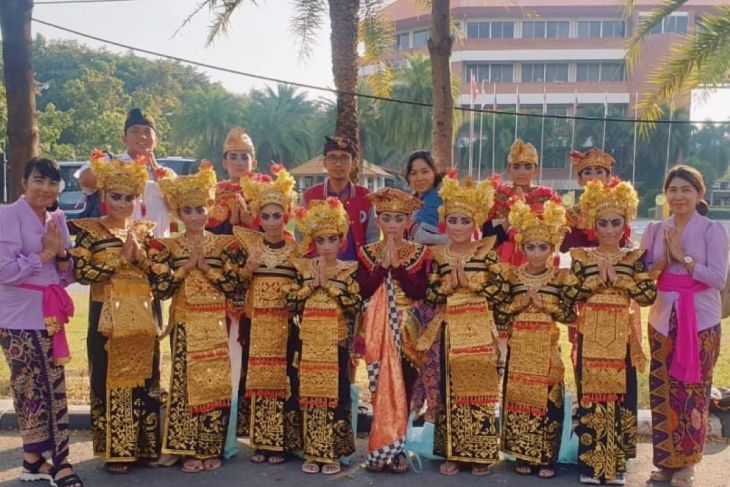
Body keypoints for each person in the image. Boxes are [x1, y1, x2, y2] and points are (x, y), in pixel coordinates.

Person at [146, 163, 243, 472]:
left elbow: (234, 285)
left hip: (215, 322)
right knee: (184, 383)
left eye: (201, 208)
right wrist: (186, 267)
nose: (196, 215)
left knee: (214, 384)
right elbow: (160, 289)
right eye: (188, 210)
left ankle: (210, 446)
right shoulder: (169, 246)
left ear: (209, 207)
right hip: (185, 321)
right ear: (178, 213)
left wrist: (208, 270)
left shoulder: (223, 245)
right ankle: (186, 447)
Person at [69, 152, 160, 474]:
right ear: (104, 196)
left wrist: (142, 261)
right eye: (115, 196)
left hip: (143, 314)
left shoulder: (145, 231)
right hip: (106, 314)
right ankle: (117, 451)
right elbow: (82, 273)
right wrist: (119, 261)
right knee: (111, 380)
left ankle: (147, 447)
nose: (122, 203)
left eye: (129, 197)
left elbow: (158, 275)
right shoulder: (89, 231)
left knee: (146, 380)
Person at [641, 165, 727, 487]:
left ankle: (687, 465)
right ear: (666, 195)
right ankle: (665, 462)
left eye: (686, 190)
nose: (679, 196)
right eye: (673, 190)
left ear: (699, 194)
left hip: (701, 322)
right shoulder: (654, 228)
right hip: (662, 320)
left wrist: (685, 258)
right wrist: (663, 261)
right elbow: (645, 273)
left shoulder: (712, 230)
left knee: (692, 392)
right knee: (662, 390)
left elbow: (717, 279)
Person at [567, 180, 657, 485]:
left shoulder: (633, 258)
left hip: (621, 339)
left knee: (620, 397)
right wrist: (596, 282)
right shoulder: (581, 257)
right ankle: (591, 464)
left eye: (615, 223)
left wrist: (619, 281)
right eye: (602, 223)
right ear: (594, 225)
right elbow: (571, 294)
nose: (608, 229)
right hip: (590, 335)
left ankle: (616, 464)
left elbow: (647, 295)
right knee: (591, 396)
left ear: (625, 224)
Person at [0, 157, 82, 487]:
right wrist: (45, 255)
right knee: (31, 387)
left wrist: (61, 256)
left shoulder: (57, 218)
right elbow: (4, 271)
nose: (45, 188)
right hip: (17, 314)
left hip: (49, 312)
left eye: (52, 183)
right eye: (38, 180)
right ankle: (57, 463)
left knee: (54, 386)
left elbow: (66, 274)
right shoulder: (7, 216)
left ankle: (36, 460)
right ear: (23, 182)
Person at [422, 175, 506, 476]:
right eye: (453, 219)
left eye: (464, 220)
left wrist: (470, 284)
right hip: (450, 331)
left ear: (475, 222)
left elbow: (500, 290)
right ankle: (453, 452)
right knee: (452, 390)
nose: (458, 226)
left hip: (481, 328)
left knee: (481, 387)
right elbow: (430, 293)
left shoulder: (487, 251)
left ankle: (481, 453)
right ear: (445, 221)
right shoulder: (439, 255)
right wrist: (448, 288)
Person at [498, 199, 576, 480]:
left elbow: (569, 315)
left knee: (548, 401)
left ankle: (546, 457)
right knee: (520, 399)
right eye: (531, 247)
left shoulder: (559, 277)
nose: (536, 253)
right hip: (520, 348)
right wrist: (520, 303)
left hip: (547, 347)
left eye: (543, 247)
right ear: (522, 247)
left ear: (552, 249)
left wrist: (545, 305)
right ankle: (522, 454)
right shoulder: (512, 276)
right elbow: (501, 314)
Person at [357, 188, 430, 473]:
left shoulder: (420, 252)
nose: (391, 224)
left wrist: (397, 268)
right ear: (378, 220)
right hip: (377, 328)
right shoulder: (367, 252)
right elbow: (362, 290)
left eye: (398, 218)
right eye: (386, 217)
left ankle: (398, 449)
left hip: (408, 328)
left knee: (405, 388)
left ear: (407, 221)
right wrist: (380, 269)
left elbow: (419, 291)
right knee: (380, 390)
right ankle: (380, 448)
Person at [233, 165, 302, 464]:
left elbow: (304, 286)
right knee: (258, 379)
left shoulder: (297, 249)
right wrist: (247, 269)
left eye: (277, 215)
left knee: (285, 379)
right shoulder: (249, 245)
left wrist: (293, 301)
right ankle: (261, 442)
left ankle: (283, 443)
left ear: (285, 215)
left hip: (285, 326)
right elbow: (234, 284)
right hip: (256, 323)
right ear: (257, 217)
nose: (271, 222)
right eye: (266, 216)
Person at [287, 198, 361, 475]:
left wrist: (328, 287)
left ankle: (332, 453)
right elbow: (290, 303)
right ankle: (312, 451)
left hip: (336, 343)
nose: (327, 244)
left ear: (341, 240)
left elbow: (355, 304)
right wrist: (310, 289)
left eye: (332, 239)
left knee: (336, 396)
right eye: (321, 239)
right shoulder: (303, 269)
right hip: (308, 342)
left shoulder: (348, 269)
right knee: (308, 395)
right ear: (313, 241)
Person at [302, 136, 379, 261]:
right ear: (324, 162)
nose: (338, 163)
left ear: (353, 163)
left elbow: (372, 238)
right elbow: (302, 237)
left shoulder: (365, 197)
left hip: (357, 272)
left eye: (344, 158)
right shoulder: (310, 196)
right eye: (332, 158)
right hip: (320, 271)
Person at [483, 139, 559, 265]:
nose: (522, 172)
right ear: (509, 169)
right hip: (501, 261)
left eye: (528, 167)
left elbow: (555, 235)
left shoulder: (547, 197)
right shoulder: (497, 194)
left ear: (536, 171)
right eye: (516, 166)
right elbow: (487, 237)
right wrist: (510, 219)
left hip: (538, 260)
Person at [118, 107, 175, 237]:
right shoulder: (112, 165)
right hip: (123, 242)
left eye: (148, 132)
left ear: (156, 141)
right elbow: (85, 180)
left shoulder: (169, 174)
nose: (142, 136)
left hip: (159, 245)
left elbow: (177, 208)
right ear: (124, 139)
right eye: (135, 131)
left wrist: (155, 169)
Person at [561, 148, 616, 252]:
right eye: (587, 173)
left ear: (608, 177)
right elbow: (563, 247)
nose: (593, 177)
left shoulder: (618, 207)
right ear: (580, 180)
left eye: (599, 172)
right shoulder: (573, 215)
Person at [207, 127, 260, 234]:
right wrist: (232, 220)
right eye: (233, 157)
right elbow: (207, 229)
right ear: (225, 163)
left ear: (254, 164)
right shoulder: (214, 192)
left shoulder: (263, 190)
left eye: (244, 158)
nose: (239, 163)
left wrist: (249, 222)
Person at [405, 150, 448, 245]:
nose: (419, 178)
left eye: (425, 171)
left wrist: (408, 225)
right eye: (413, 173)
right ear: (408, 177)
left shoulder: (438, 199)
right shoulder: (414, 200)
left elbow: (428, 239)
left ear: (435, 172)